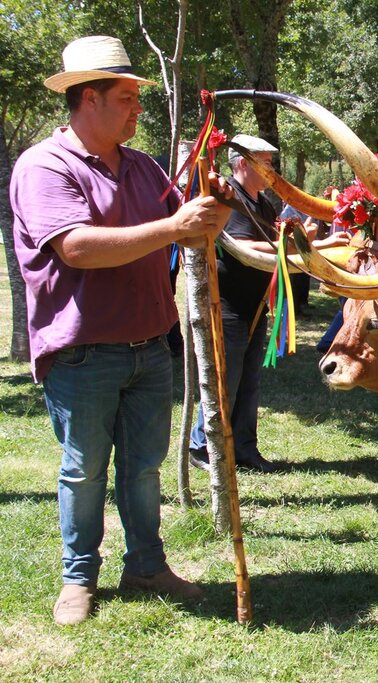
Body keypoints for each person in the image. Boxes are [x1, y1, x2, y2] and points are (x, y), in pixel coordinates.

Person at [10, 35, 234, 626]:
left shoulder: (143, 167)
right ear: (88, 99)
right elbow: (77, 248)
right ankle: (77, 579)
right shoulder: (44, 166)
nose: (138, 108)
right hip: (83, 353)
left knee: (142, 467)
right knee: (83, 470)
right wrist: (173, 226)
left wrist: (212, 211)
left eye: (137, 96)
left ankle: (145, 566)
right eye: (127, 96)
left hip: (150, 345)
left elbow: (180, 227)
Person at [188, 134, 281, 474]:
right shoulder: (232, 199)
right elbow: (245, 248)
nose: (271, 169)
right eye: (265, 162)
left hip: (256, 306)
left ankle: (244, 447)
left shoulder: (264, 204)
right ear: (243, 163)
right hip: (227, 308)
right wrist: (291, 251)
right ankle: (202, 446)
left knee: (249, 380)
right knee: (224, 381)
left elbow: (273, 242)